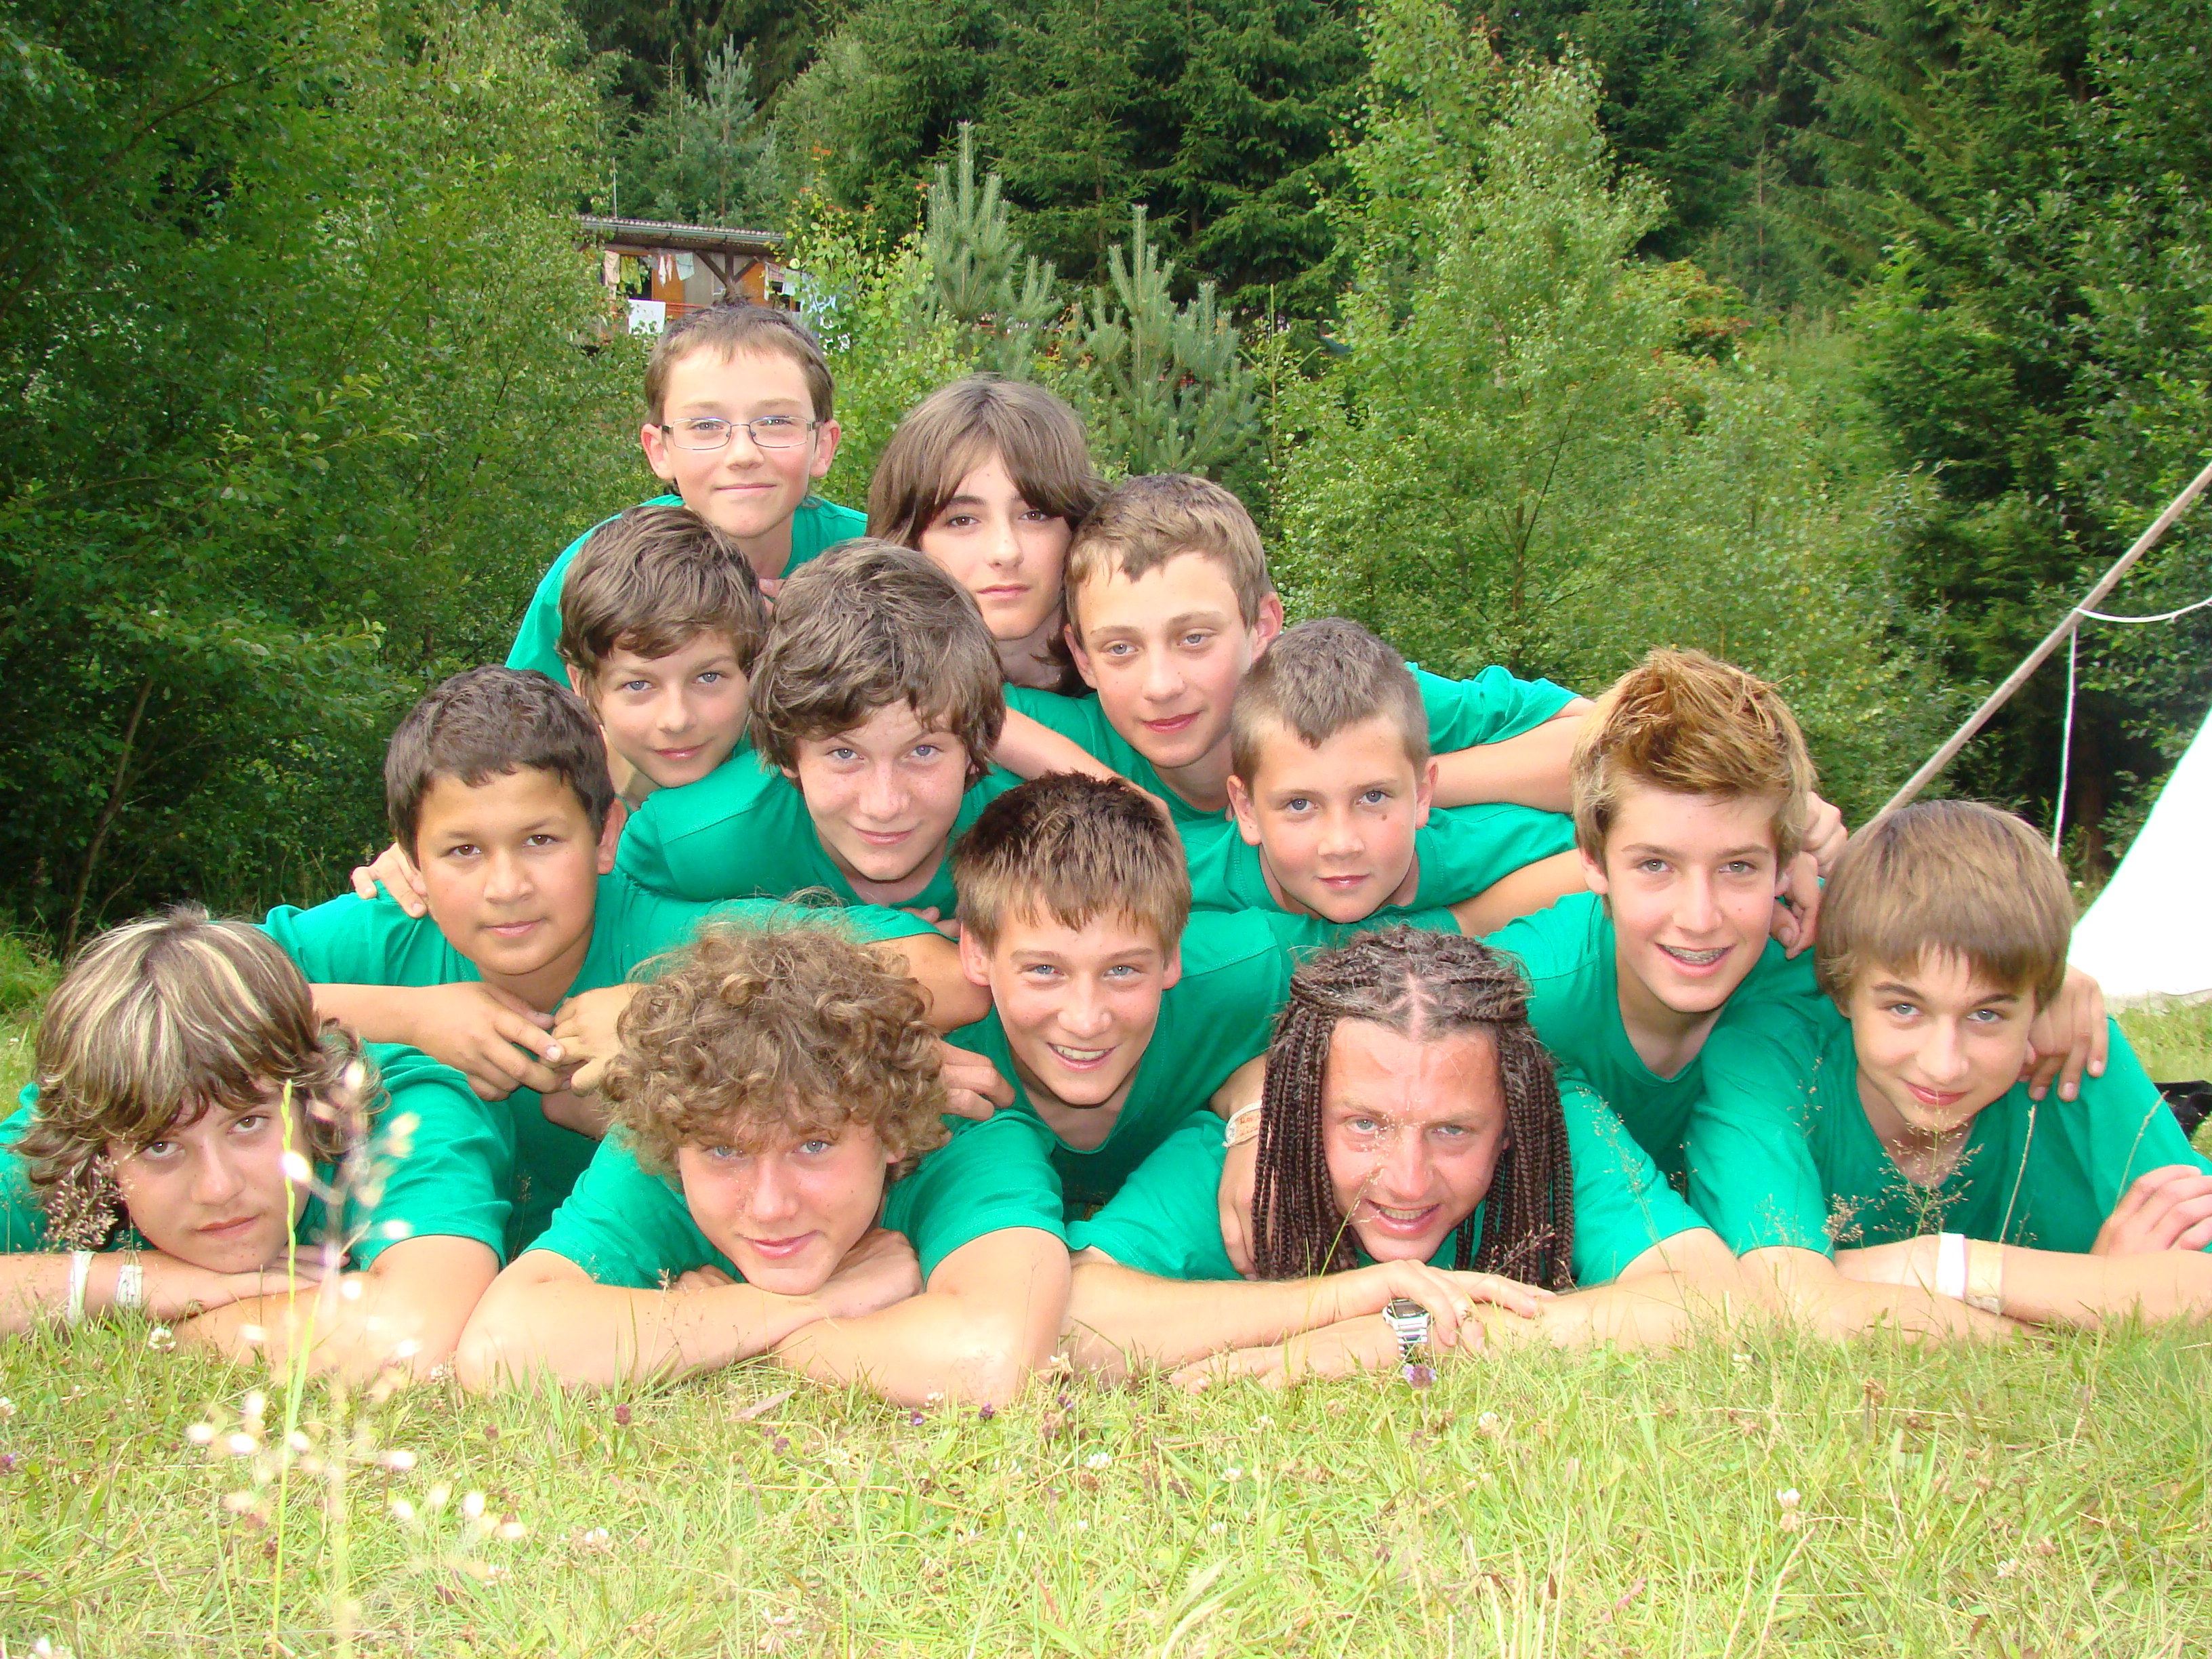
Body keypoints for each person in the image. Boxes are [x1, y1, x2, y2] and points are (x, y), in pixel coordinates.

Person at [266, 666, 980, 1252]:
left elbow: (950, 975)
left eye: (541, 841)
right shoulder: (387, 932)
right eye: (463, 851)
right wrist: (411, 1017)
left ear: (607, 835)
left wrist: (664, 1015)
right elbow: (208, 981)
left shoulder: (671, 936)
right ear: (412, 858)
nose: (506, 886)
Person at [1067, 929, 1740, 1385]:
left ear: (1510, 1124)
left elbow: (1715, 1301)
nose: (1408, 1181)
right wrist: (1336, 1303)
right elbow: (1069, 1319)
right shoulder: (1244, 1162)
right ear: (1300, 1108)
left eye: (1453, 1131)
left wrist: (1410, 1338)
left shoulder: (1557, 1130)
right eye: (1365, 1125)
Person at [457, 924, 1063, 1405]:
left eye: (814, 1146)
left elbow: (993, 1360)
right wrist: (814, 1304)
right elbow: (499, 1349)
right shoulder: (672, 1132)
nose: (770, 1206)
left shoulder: (976, 1147)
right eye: (726, 1153)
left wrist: (758, 1341)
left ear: (891, 1131)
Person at [1700, 800, 2212, 1332]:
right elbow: (1790, 1300)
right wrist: (2098, 1292)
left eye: (1986, 1015)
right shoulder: (1771, 1061)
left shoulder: (2075, 1053)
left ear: (2040, 1005)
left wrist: (1940, 1265)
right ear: (1843, 990)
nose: (1944, 1065)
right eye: (1904, 1009)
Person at [0, 909, 513, 1378]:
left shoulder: (399, 1110)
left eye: (247, 1124)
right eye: (160, 1147)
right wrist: (133, 1283)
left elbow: (411, 1335)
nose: (218, 1188)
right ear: (100, 1154)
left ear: (313, 1096)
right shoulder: (71, 1141)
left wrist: (162, 1331)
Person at [1006, 473, 1595, 827]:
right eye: (1120, 648)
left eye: (1194, 639)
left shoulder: (1341, 694)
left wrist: (1386, 786)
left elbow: (1600, 742)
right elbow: (960, 709)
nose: (1160, 685)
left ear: (1263, 626)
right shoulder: (1070, 737)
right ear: (1082, 657)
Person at [613, 539, 1122, 916]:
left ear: (976, 745)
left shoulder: (1056, 786)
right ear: (789, 754)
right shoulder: (687, 839)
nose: (885, 805)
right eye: (844, 754)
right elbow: (611, 932)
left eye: (922, 751)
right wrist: (855, 947)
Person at [506, 302, 859, 681]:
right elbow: (523, 715)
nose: (743, 455)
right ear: (660, 451)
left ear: (823, 446)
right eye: (705, 426)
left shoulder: (876, 554)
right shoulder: (596, 575)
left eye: (776, 421)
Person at [1200, 616, 1586, 935]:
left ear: (1423, 794)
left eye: (1373, 797)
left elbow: (1600, 849)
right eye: (1300, 804)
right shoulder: (1194, 885)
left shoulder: (1496, 841)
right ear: (1246, 809)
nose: (1341, 844)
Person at [868, 375, 1104, 693]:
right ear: (909, 541)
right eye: (963, 520)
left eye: (1034, 515)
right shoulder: (864, 696)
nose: (1005, 551)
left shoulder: (1152, 682)